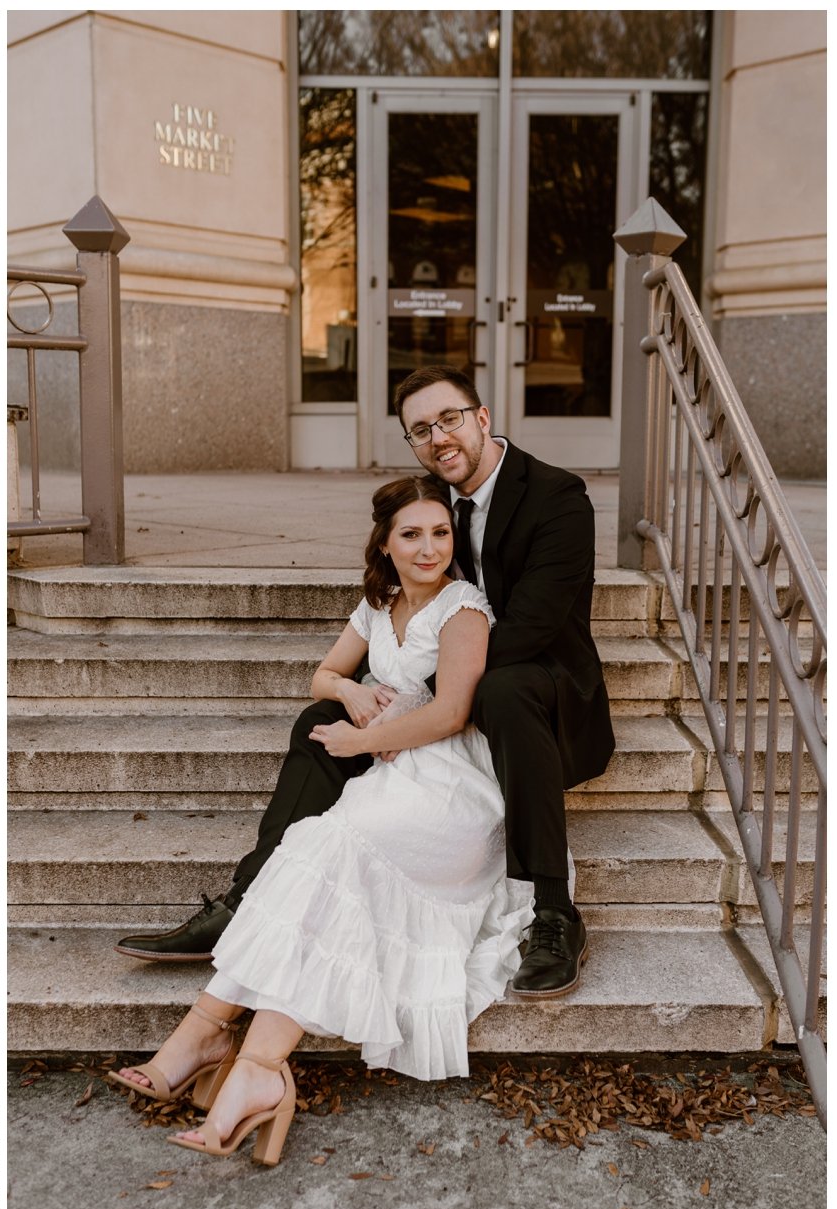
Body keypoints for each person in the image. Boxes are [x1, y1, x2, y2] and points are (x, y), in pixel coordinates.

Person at [116, 365, 614, 1000]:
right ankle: (244, 899)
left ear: (482, 418)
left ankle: (553, 913)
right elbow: (387, 605)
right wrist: (358, 695)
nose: (439, 437)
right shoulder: (433, 500)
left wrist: (416, 696)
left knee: (503, 690)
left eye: (450, 419)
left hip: (539, 684)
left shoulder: (557, 497)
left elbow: (534, 625)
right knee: (317, 723)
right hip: (444, 678)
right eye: (421, 430)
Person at [106, 475, 534, 1164]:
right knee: (320, 845)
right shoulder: (378, 604)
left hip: (451, 789)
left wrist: (355, 740)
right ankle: (247, 1066)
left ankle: (215, 1039)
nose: (429, 548)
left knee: (328, 843)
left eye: (441, 533)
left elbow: (452, 712)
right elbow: (322, 676)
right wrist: (350, 691)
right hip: (393, 773)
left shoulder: (464, 609)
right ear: (386, 544)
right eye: (412, 535)